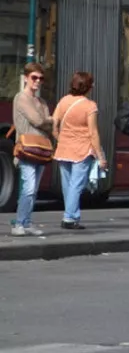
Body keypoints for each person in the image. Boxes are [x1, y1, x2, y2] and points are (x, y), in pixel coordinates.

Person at [51, 71, 108, 230]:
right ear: (89, 87)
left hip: (63, 150)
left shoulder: (63, 101)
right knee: (76, 185)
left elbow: (54, 122)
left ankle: (71, 215)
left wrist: (60, 138)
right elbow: (93, 133)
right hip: (82, 151)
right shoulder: (90, 106)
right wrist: (101, 156)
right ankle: (69, 218)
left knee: (67, 185)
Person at [10, 63, 52, 237]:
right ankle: (19, 223)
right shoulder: (21, 98)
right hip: (27, 148)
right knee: (28, 187)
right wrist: (48, 119)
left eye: (41, 78)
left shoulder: (41, 101)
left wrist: (47, 120)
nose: (38, 81)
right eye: (34, 77)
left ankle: (27, 222)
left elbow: (48, 124)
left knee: (34, 189)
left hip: (40, 149)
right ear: (26, 78)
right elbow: (39, 120)